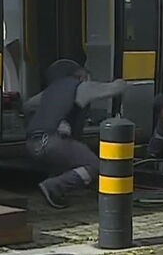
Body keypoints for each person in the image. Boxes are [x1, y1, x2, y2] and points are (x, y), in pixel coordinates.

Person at [26, 59, 127, 209]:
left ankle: (52, 191)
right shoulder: (81, 86)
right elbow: (115, 88)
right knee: (96, 166)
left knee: (67, 160)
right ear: (81, 75)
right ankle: (54, 186)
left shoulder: (50, 91)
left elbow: (26, 106)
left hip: (32, 144)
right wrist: (122, 80)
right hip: (54, 141)